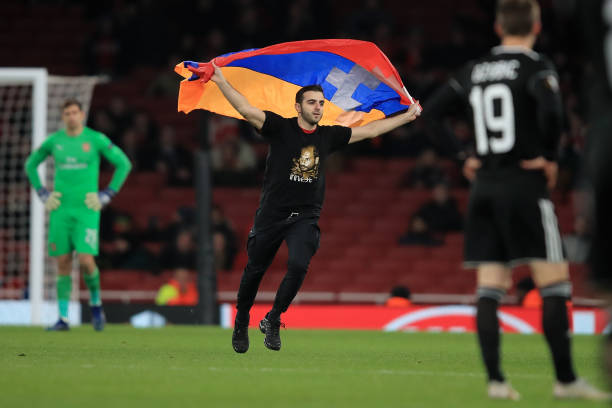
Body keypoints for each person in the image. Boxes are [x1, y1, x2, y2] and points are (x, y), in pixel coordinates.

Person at [424, 0, 609, 400]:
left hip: (484, 188)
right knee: (554, 283)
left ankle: (496, 382)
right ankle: (566, 380)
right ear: (537, 25)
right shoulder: (536, 66)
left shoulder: (473, 70)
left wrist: (462, 157)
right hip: (524, 184)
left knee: (489, 286)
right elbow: (553, 113)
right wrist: (550, 157)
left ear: (497, 26)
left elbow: (432, 114)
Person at [207, 63, 421, 353]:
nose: (318, 108)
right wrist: (219, 78)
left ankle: (273, 319)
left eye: (321, 103)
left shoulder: (327, 136)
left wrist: (407, 117)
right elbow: (246, 110)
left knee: (298, 264)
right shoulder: (280, 128)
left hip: (305, 216)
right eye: (312, 103)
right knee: (254, 271)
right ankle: (241, 319)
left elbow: (369, 131)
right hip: (272, 214)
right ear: (298, 107)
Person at [25, 99, 132, 331]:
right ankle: (63, 319)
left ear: (82, 115)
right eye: (67, 113)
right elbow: (31, 165)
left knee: (85, 260)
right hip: (61, 209)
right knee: (63, 262)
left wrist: (108, 194)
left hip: (87, 209)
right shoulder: (55, 142)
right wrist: (43, 193)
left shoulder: (95, 139)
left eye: (75, 112)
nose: (71, 116)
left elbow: (124, 164)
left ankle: (95, 304)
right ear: (63, 117)